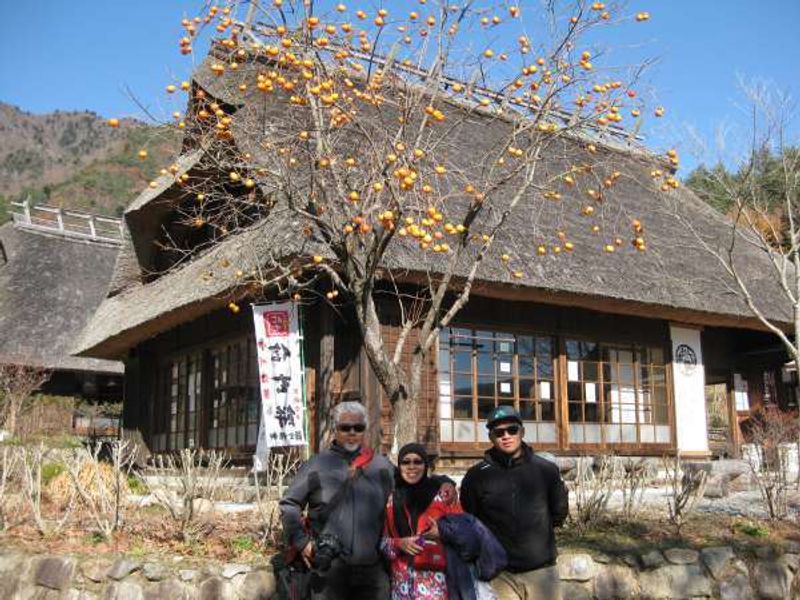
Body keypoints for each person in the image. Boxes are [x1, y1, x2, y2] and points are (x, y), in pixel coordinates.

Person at [279, 401, 394, 600]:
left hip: (372, 569)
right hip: (328, 568)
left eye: (358, 428)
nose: (352, 433)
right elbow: (289, 504)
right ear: (335, 430)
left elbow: (413, 484)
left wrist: (444, 484)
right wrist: (302, 543)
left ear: (365, 431)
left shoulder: (381, 466)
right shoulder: (317, 464)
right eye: (345, 428)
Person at [460, 406, 569, 600]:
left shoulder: (546, 470)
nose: (506, 436)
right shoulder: (476, 476)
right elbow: (470, 519)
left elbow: (558, 512)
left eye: (512, 429)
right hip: (499, 573)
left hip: (541, 570)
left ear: (522, 431)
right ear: (491, 437)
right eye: (499, 432)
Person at [382, 443, 459, 600]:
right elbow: (381, 543)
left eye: (417, 462)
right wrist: (398, 544)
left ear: (425, 465)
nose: (412, 466)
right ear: (399, 466)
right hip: (401, 586)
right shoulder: (391, 499)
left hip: (437, 586)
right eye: (406, 462)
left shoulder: (443, 496)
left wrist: (442, 532)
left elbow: (466, 534)